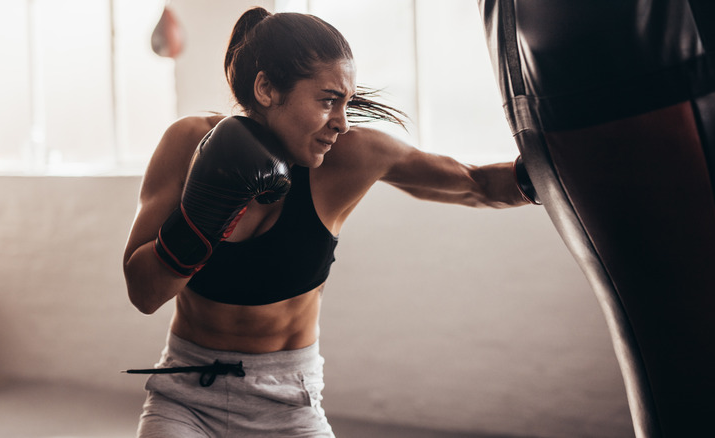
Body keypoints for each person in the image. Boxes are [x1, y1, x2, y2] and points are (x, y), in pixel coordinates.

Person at [122, 6, 537, 437]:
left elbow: (476, 185)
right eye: (328, 100)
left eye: (348, 103)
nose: (341, 122)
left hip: (288, 404)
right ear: (266, 87)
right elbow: (144, 294)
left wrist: (565, 164)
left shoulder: (353, 157)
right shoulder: (187, 143)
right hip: (186, 396)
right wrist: (205, 213)